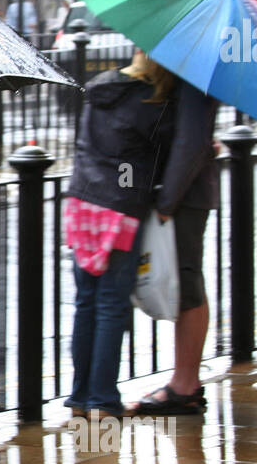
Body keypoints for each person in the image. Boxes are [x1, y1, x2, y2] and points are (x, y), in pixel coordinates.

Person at [63, 52, 176, 418]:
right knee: (112, 303)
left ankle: (80, 397)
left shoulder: (100, 88)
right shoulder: (151, 101)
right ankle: (101, 400)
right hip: (121, 206)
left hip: (82, 202)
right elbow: (164, 153)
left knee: (86, 301)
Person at [132, 75, 220, 415]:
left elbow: (192, 141)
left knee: (188, 283)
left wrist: (167, 203)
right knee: (188, 281)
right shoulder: (190, 72)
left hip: (185, 197)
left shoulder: (194, 78)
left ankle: (184, 385)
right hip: (185, 192)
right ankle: (185, 382)